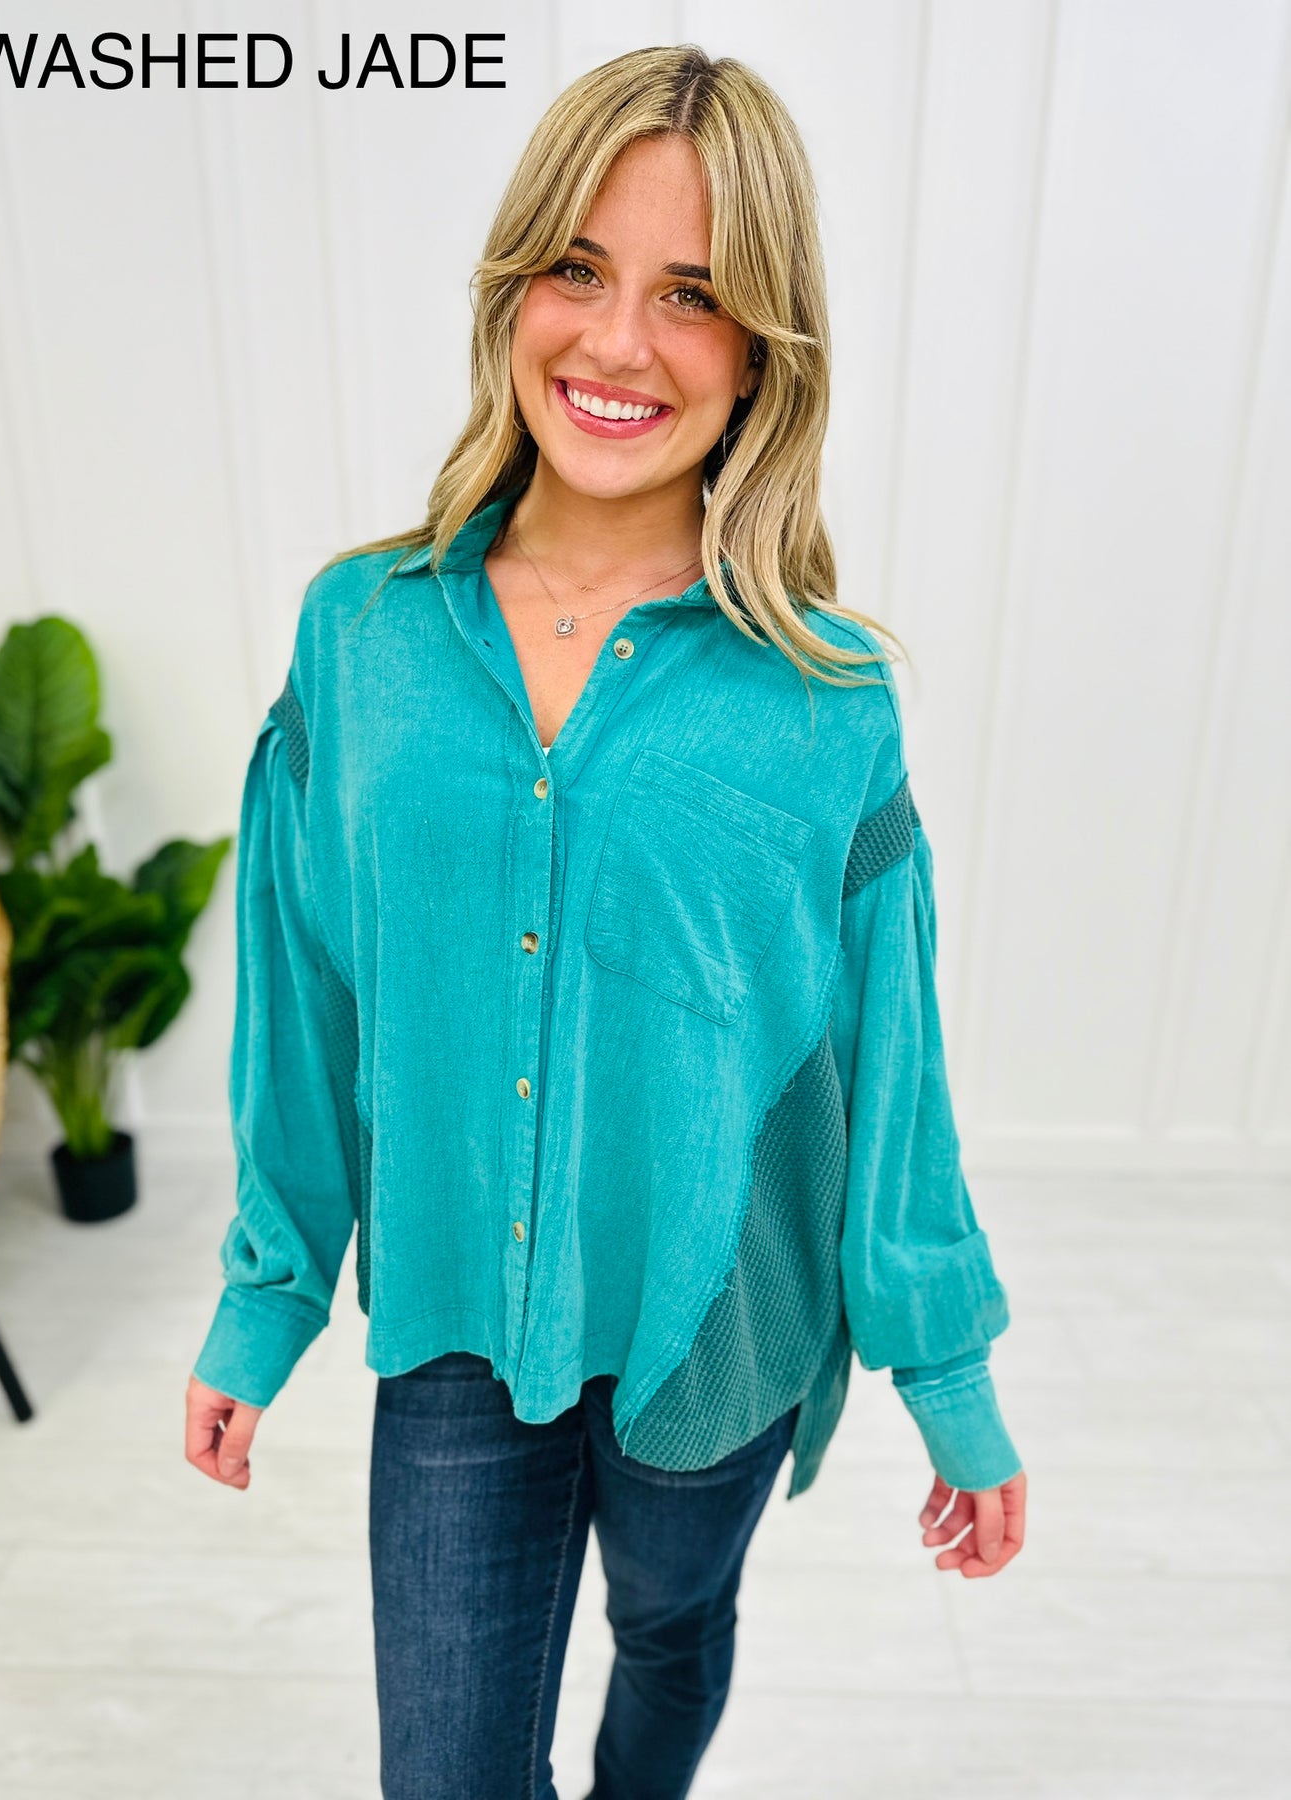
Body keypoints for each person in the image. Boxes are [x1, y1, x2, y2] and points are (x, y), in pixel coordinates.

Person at [184, 42, 1028, 1800]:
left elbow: (891, 1064)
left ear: (762, 348)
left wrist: (946, 1375)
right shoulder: (361, 636)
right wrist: (267, 1298)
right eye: (578, 268)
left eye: (692, 294)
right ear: (512, 288)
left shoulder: (826, 696)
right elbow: (307, 994)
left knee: (669, 1631)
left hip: (714, 1328)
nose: (620, 342)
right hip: (452, 1324)